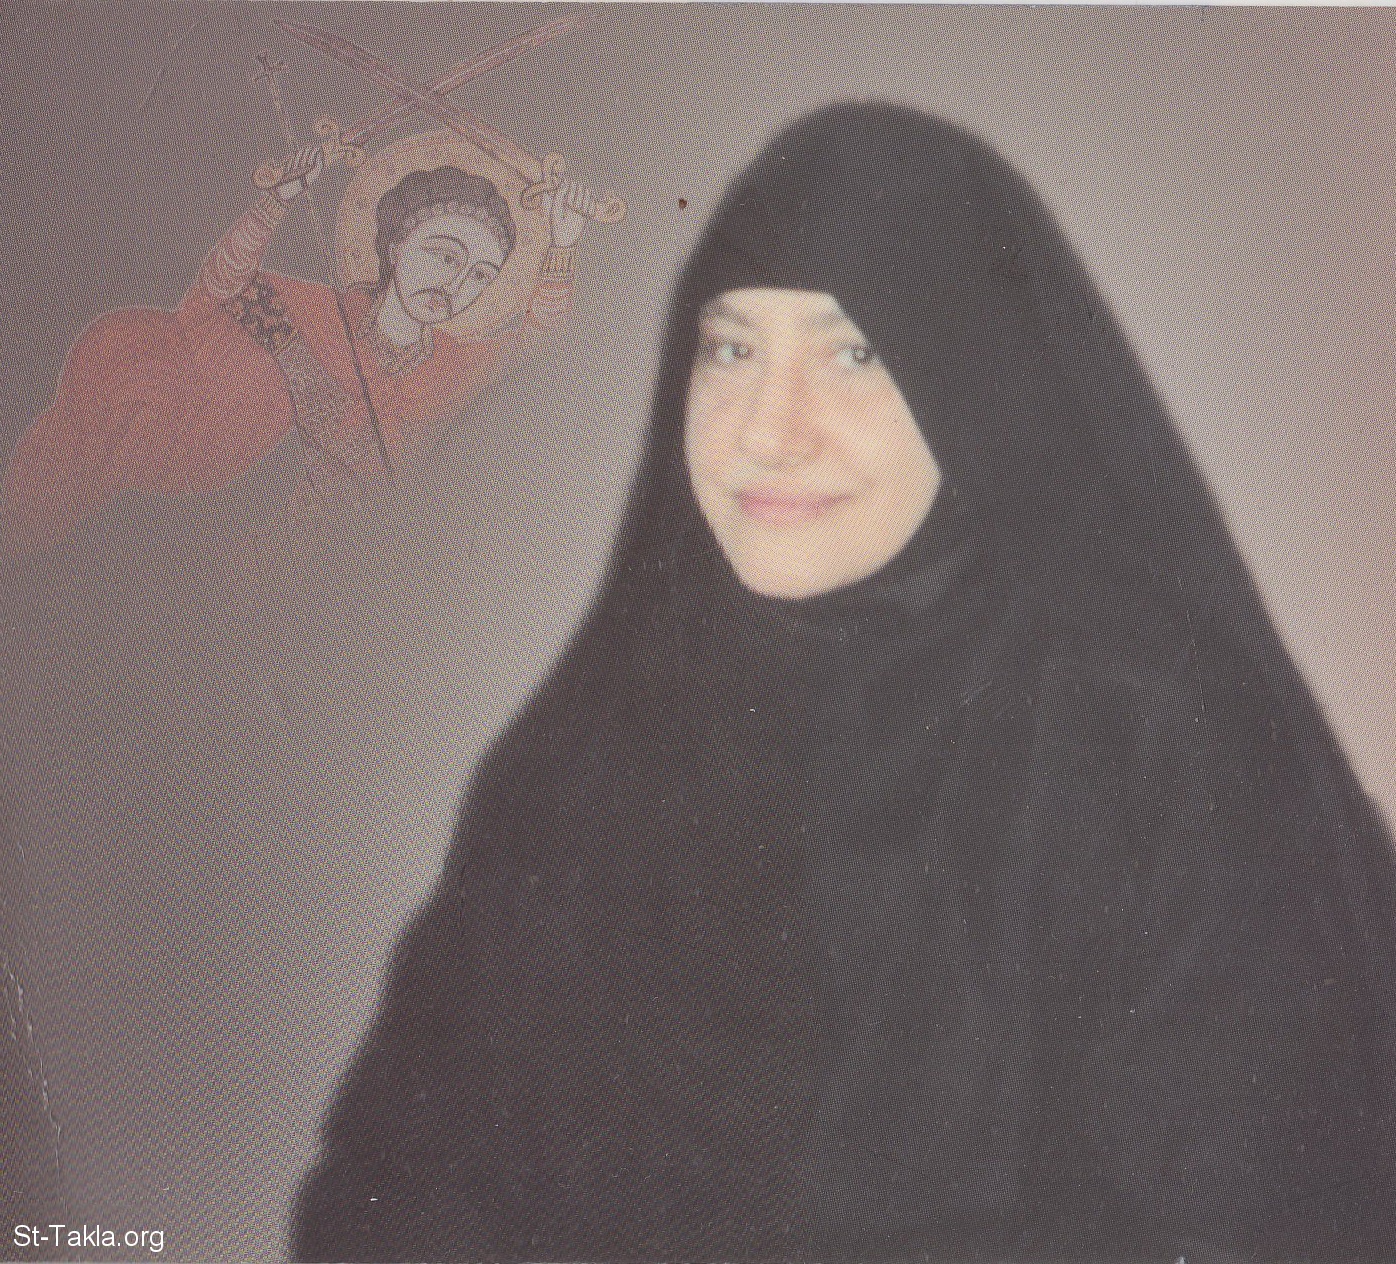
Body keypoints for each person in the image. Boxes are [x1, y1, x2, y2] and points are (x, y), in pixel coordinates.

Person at [292, 103, 1396, 1261]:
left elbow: (1270, 1224)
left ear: (975, 381)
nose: (769, 432)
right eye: (731, 350)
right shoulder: (585, 747)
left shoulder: (1164, 752)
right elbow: (395, 1182)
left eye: (854, 355)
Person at [0, 148, 596, 549]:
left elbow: (534, 332)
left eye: (481, 275)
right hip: (156, 437)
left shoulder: (445, 367)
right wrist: (276, 202)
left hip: (261, 534)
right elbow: (220, 288)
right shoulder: (312, 307)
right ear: (395, 245)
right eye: (444, 253)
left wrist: (562, 245)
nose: (456, 282)